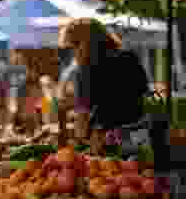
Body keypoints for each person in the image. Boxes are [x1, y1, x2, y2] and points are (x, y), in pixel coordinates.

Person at [57, 18, 149, 152]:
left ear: (84, 43)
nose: (73, 53)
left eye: (73, 46)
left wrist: (76, 144)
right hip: (139, 138)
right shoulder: (130, 58)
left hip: (107, 143)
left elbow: (82, 121)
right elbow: (140, 94)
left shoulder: (86, 69)